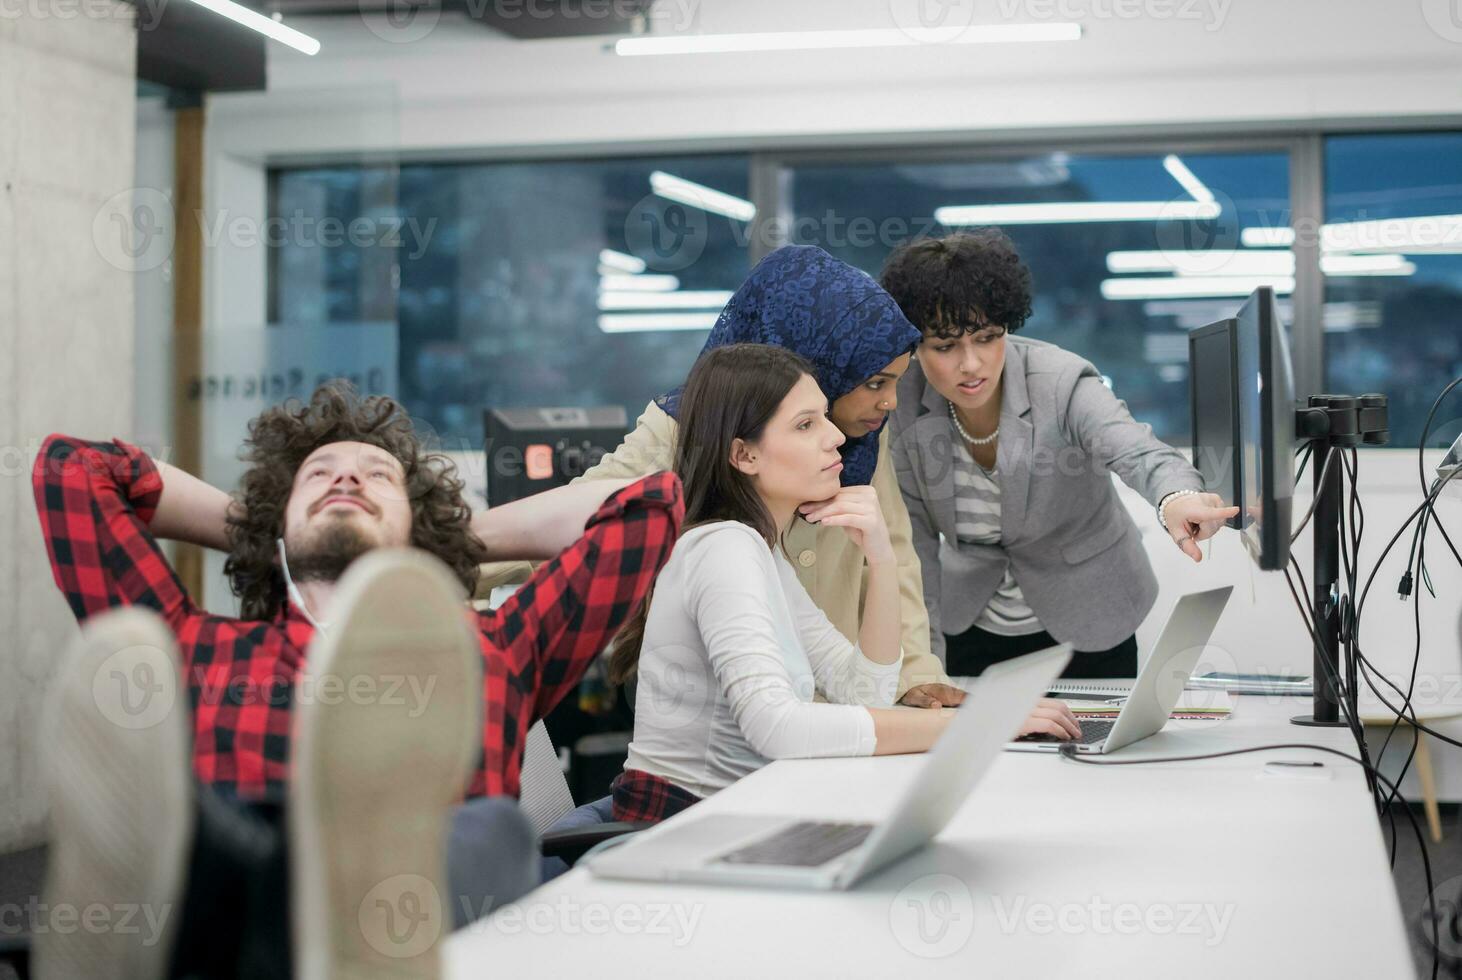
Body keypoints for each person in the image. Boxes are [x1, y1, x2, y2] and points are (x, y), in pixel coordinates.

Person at [30, 381, 684, 976]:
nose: (345, 478)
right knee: (213, 818)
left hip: (434, 920)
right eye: (319, 475)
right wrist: (262, 528)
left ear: (417, 525)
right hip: (240, 926)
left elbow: (651, 504)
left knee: (486, 834)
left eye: (378, 478)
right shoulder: (194, 645)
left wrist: (449, 537)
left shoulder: (497, 648)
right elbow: (71, 470)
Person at [607, 344, 1082, 824]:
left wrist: (881, 555)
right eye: (805, 425)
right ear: (744, 454)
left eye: (823, 418)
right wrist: (972, 725)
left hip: (736, 813)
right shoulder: (723, 548)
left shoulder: (763, 551)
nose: (835, 437)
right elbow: (778, 727)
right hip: (678, 826)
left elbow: (864, 692)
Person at [480, 244, 964, 710]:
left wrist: (915, 673)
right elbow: (575, 522)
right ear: (816, 364)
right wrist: (445, 569)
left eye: (897, 381)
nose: (891, 403)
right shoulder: (692, 431)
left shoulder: (857, 433)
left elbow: (894, 552)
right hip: (733, 722)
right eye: (875, 383)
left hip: (834, 702)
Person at [881, 230, 1238, 679]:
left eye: (988, 337)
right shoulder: (902, 405)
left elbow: (1136, 450)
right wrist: (921, 667)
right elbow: (911, 551)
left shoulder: (1060, 380)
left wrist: (1176, 497)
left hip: (1090, 613)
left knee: (1096, 743)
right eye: (946, 346)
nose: (970, 363)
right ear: (915, 344)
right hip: (970, 621)